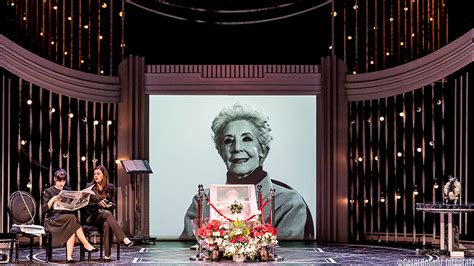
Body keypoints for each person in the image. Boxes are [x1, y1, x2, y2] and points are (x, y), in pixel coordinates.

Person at [180, 103, 314, 240]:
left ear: (263, 150)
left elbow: (288, 258)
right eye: (228, 141)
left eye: (247, 139)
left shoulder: (288, 204)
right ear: (221, 152)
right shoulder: (202, 202)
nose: (237, 147)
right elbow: (185, 256)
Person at [42, 169, 99, 263]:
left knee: (72, 226)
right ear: (54, 179)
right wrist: (52, 200)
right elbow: (44, 210)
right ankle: (86, 244)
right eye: (59, 180)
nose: (61, 183)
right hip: (53, 220)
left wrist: (81, 201)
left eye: (63, 181)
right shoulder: (49, 191)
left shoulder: (67, 190)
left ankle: (69, 257)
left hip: (66, 219)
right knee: (72, 219)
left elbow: (73, 205)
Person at [85, 165, 134, 262]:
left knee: (107, 224)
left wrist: (110, 205)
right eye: (94, 174)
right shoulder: (89, 187)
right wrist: (98, 204)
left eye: (98, 174)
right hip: (92, 217)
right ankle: (123, 238)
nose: (96, 176)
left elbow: (114, 204)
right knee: (107, 214)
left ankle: (107, 255)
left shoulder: (110, 187)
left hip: (105, 216)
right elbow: (86, 206)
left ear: (104, 175)